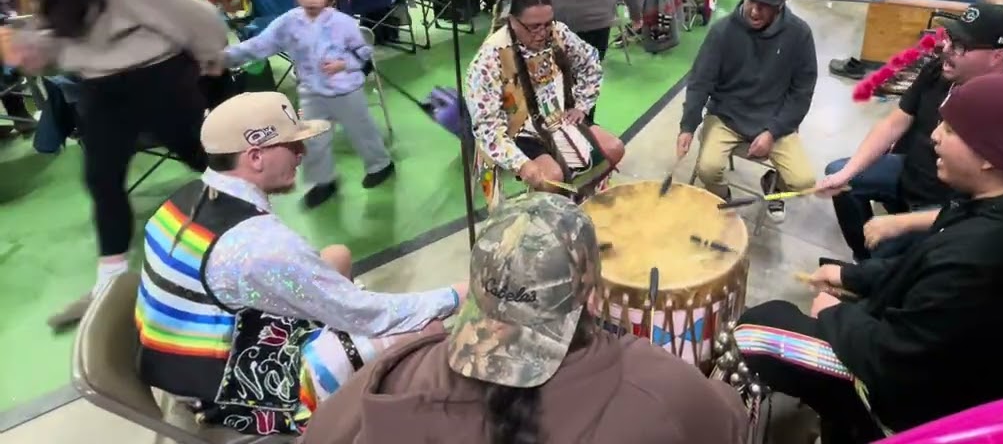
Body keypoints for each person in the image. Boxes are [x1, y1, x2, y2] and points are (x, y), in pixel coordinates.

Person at [735, 71, 1003, 443]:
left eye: (950, 129)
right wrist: (854, 278)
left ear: (989, 157)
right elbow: (924, 272)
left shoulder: (984, 256)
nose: (933, 135)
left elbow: (897, 360)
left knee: (757, 329)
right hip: (965, 369)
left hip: (925, 410)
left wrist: (834, 315)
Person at [301, 192, 749, 444]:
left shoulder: (397, 372)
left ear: (475, 288)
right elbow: (729, 422)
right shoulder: (661, 390)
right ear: (592, 298)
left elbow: (320, 436)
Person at [134, 91, 462, 435]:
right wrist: (456, 295)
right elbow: (369, 314)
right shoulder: (259, 245)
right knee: (426, 327)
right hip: (229, 390)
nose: (303, 154)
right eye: (292, 146)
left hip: (183, 356)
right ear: (256, 157)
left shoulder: (185, 199)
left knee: (337, 256)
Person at [8, 0, 227, 329]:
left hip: (158, 80)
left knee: (209, 165)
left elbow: (197, 16)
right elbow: (71, 38)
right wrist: (37, 51)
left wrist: (210, 60)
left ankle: (260, 243)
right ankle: (109, 288)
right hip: (102, 90)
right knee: (102, 181)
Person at [815, 2, 1003, 258]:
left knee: (887, 253)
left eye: (960, 46)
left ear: (997, 57)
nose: (946, 49)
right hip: (910, 171)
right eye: (949, 39)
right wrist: (847, 173)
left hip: (948, 206)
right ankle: (864, 261)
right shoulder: (938, 71)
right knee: (839, 175)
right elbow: (894, 122)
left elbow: (981, 208)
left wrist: (901, 223)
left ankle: (879, 273)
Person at [223, 0, 394, 208]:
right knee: (313, 139)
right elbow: (261, 44)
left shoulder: (343, 23)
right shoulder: (288, 22)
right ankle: (323, 182)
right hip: (311, 91)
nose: (310, 0)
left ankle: (381, 165)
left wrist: (343, 64)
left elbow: (364, 53)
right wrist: (225, 57)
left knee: (361, 130)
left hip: (346, 91)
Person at [466, 0, 626, 206]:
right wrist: (521, 163)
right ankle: (550, 223)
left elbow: (590, 63)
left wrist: (582, 105)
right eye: (533, 27)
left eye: (547, 23)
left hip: (559, 118)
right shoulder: (490, 58)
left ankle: (584, 203)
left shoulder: (558, 33)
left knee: (615, 148)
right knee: (551, 178)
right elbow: (487, 126)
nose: (542, 33)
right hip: (520, 131)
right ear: (512, 20)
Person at [678, 0, 817, 222]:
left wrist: (773, 131)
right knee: (708, 170)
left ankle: (775, 185)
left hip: (773, 119)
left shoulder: (800, 35)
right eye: (752, 1)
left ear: (780, 5)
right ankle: (724, 198)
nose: (755, 11)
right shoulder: (722, 31)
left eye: (764, 6)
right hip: (726, 115)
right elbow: (700, 81)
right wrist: (688, 125)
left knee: (803, 181)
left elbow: (802, 93)